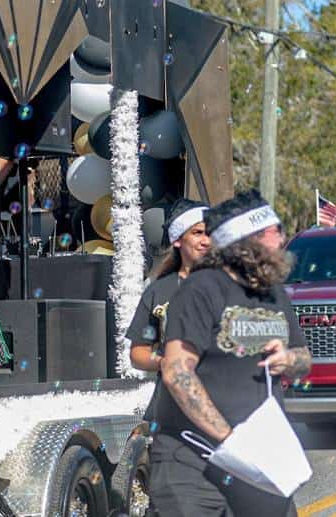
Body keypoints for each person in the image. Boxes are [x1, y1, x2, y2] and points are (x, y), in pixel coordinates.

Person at [149, 189, 312, 516]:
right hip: (193, 462)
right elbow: (177, 372)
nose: (281, 238)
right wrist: (231, 439)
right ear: (245, 241)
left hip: (258, 463)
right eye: (272, 231)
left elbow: (304, 358)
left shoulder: (274, 294)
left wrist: (289, 359)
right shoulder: (202, 288)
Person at [127, 199, 210, 421]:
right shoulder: (158, 291)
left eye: (211, 233)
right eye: (198, 233)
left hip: (221, 405)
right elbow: (138, 352)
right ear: (177, 240)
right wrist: (164, 361)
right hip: (169, 410)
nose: (206, 241)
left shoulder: (232, 286)